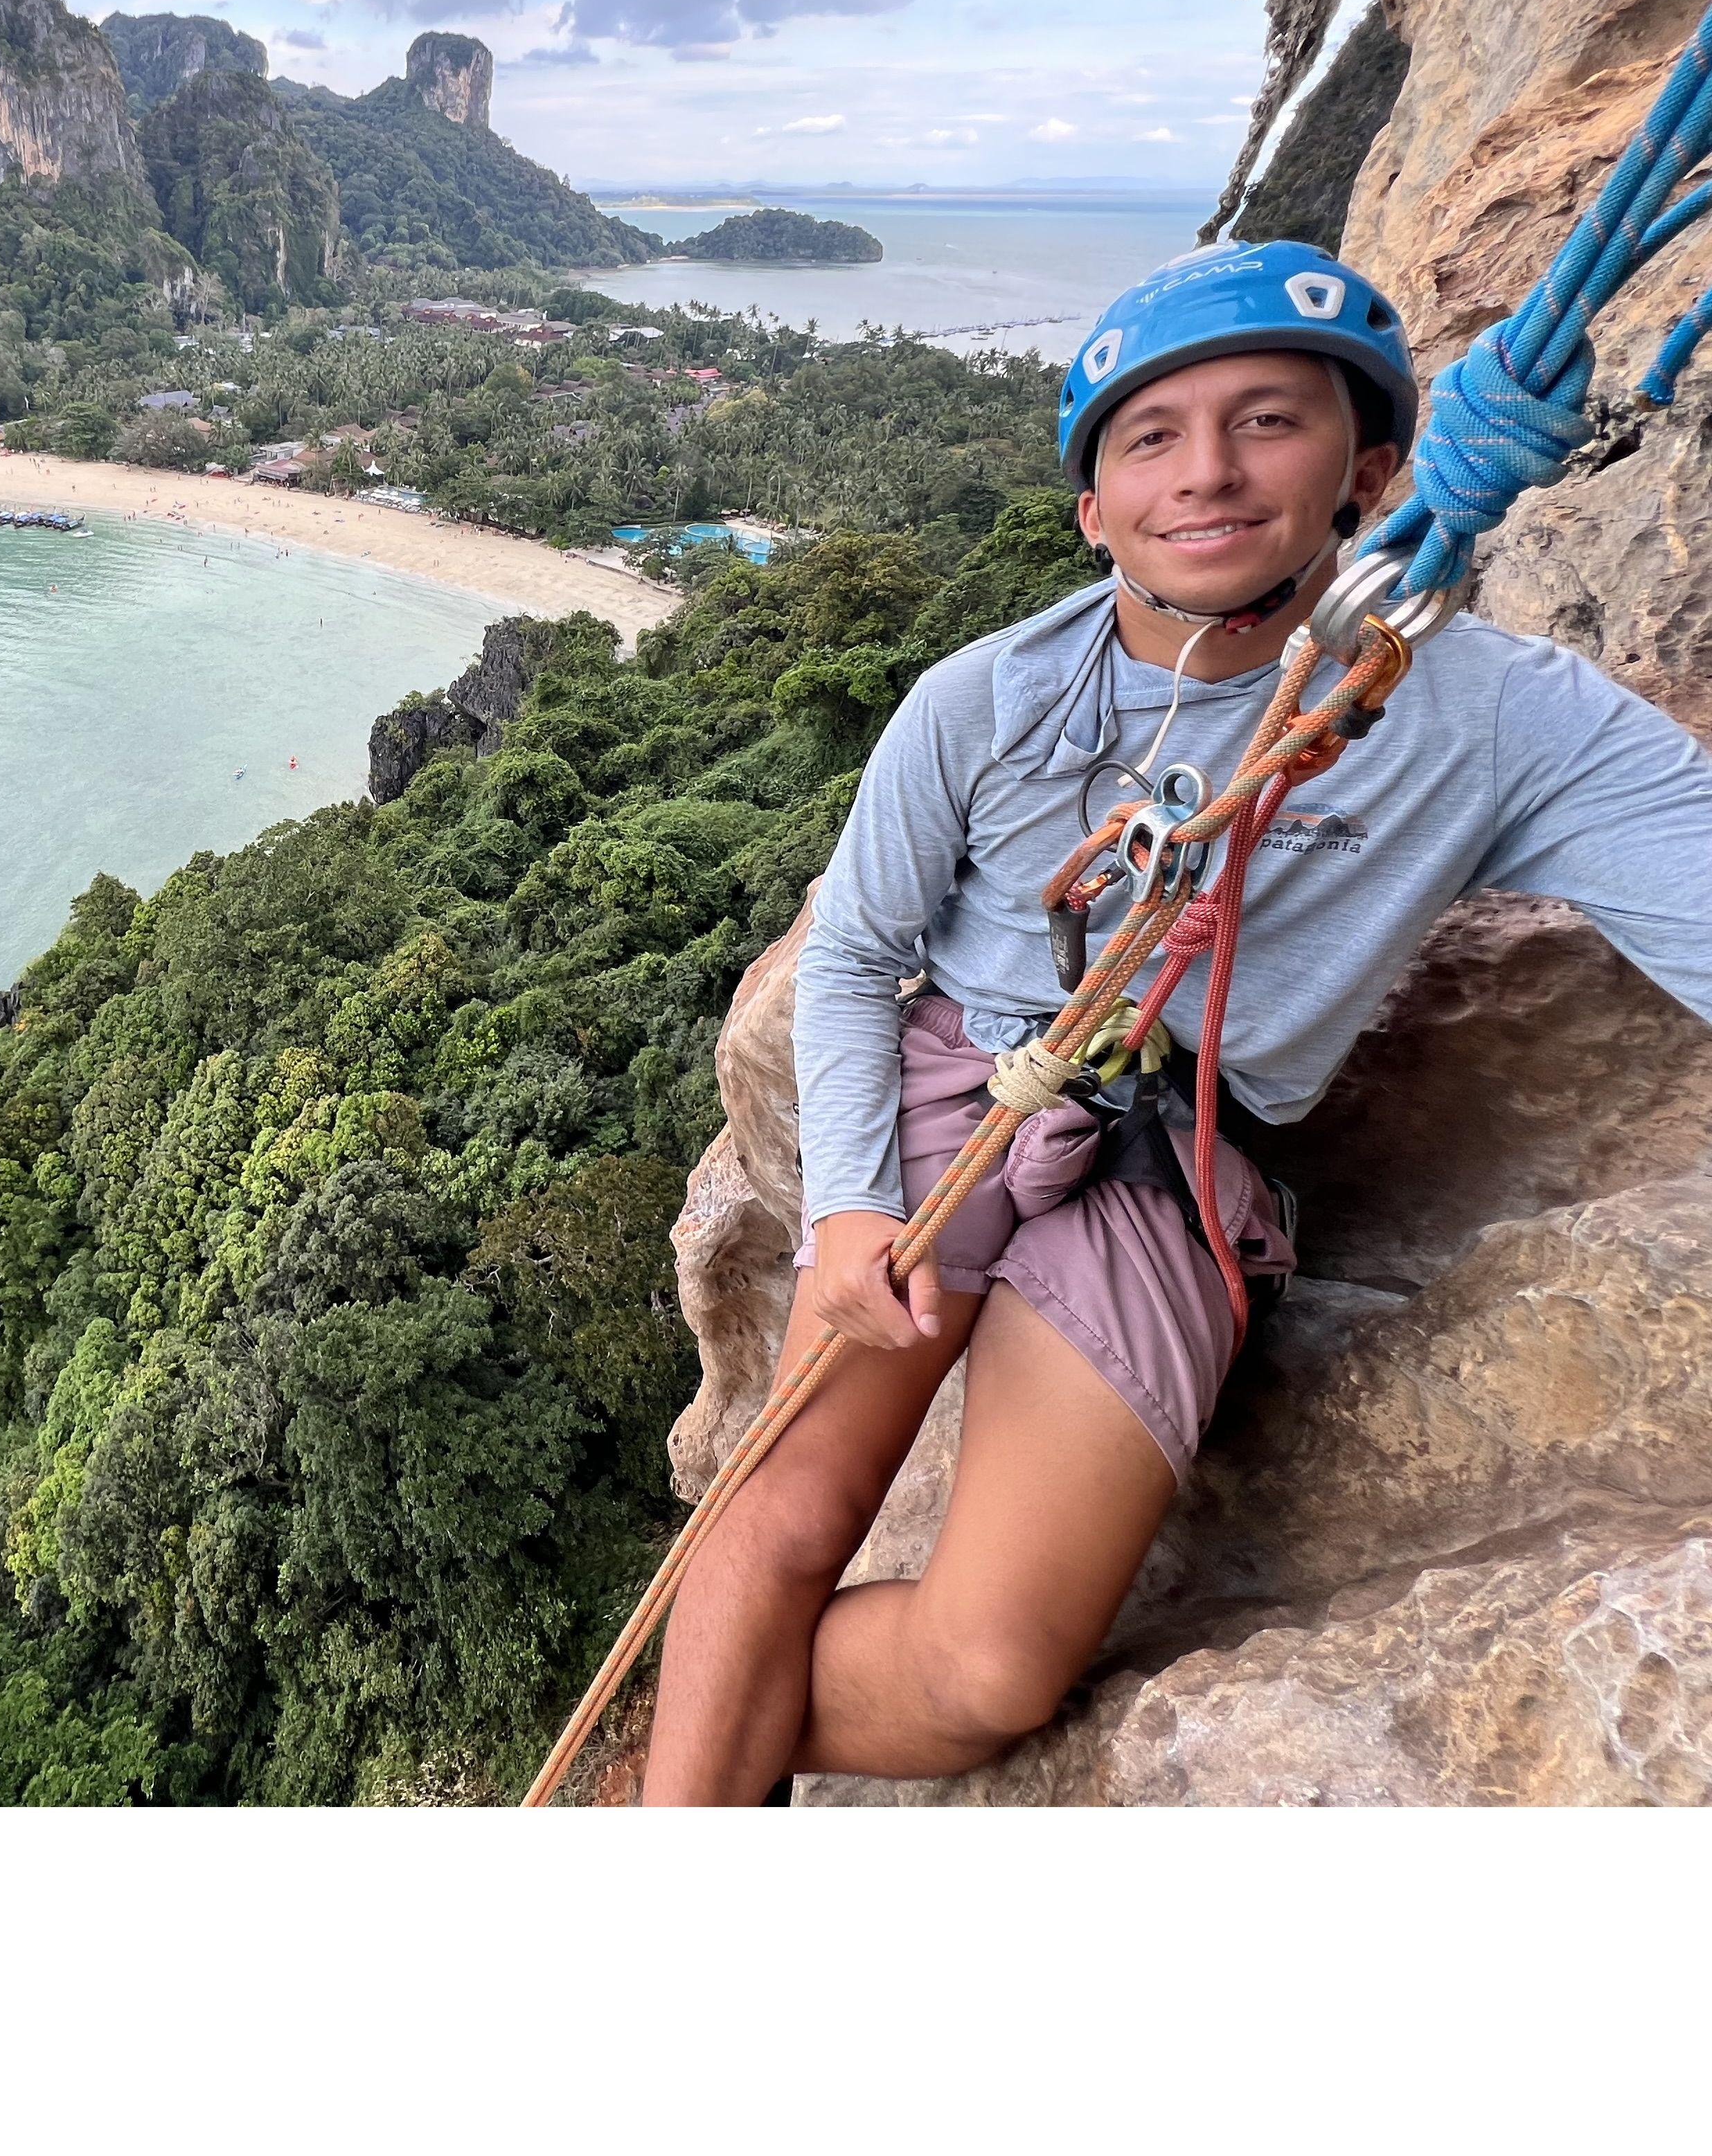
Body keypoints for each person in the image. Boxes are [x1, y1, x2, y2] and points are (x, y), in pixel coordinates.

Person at [639, 239, 1712, 1804]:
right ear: (1094, 508)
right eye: (1151, 438)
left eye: (1268, 421)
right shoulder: (984, 697)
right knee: (791, 1514)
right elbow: (862, 953)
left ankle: (691, 1733)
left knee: (991, 1670)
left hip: (1182, 1144)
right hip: (967, 1076)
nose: (1206, 472)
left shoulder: (1492, 717)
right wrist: (855, 1201)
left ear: (1372, 469)